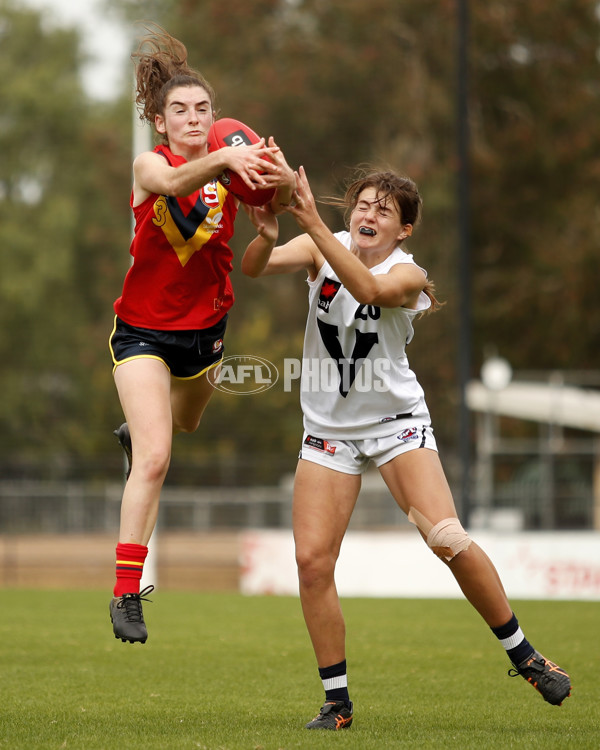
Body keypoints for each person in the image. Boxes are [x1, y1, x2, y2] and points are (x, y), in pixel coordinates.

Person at [241, 166, 571, 730]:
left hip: (396, 425)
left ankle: (526, 655)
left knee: (445, 537)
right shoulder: (325, 243)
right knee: (311, 562)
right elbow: (252, 268)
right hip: (329, 432)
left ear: (405, 230)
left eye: (384, 210)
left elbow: (368, 289)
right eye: (363, 204)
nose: (368, 215)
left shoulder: (408, 274)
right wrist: (269, 233)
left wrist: (314, 224)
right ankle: (337, 703)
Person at [108, 26, 294, 644]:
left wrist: (272, 198)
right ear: (160, 124)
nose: (193, 119)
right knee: (157, 455)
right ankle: (126, 591)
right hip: (141, 332)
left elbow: (283, 199)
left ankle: (139, 436)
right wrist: (225, 158)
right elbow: (169, 185)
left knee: (184, 425)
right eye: (179, 111)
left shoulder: (232, 157)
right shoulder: (150, 164)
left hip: (206, 331)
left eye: (203, 110)